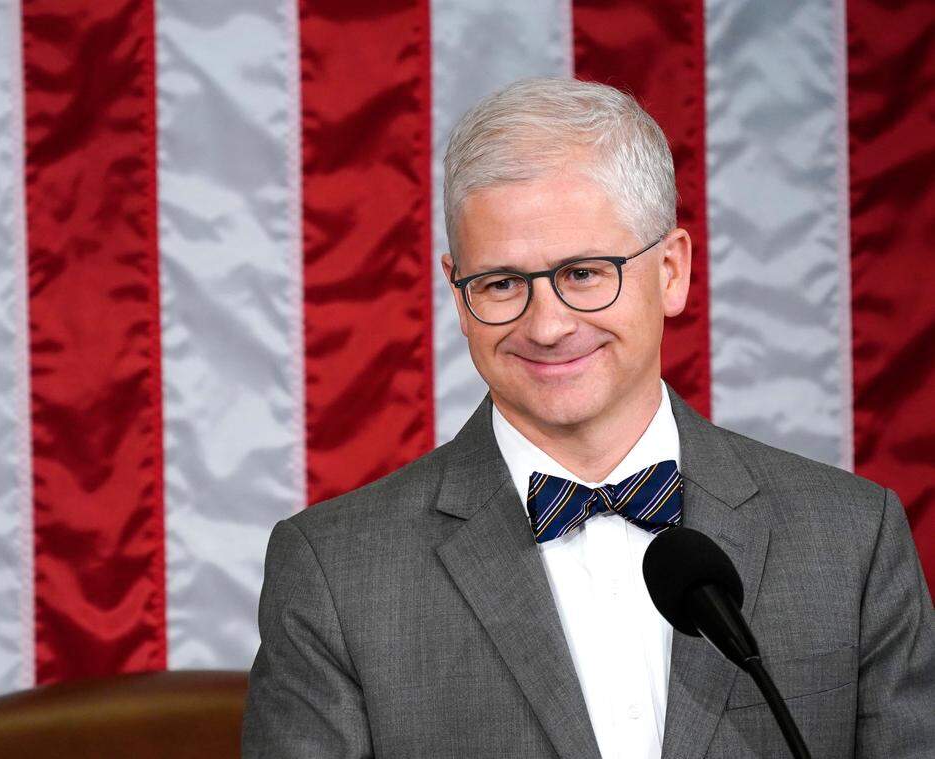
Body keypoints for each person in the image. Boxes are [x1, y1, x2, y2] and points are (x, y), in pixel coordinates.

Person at [241, 77, 935, 758]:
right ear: (458, 295)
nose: (547, 326)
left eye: (583, 273)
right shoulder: (335, 572)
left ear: (671, 271)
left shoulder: (852, 538)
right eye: (502, 283)